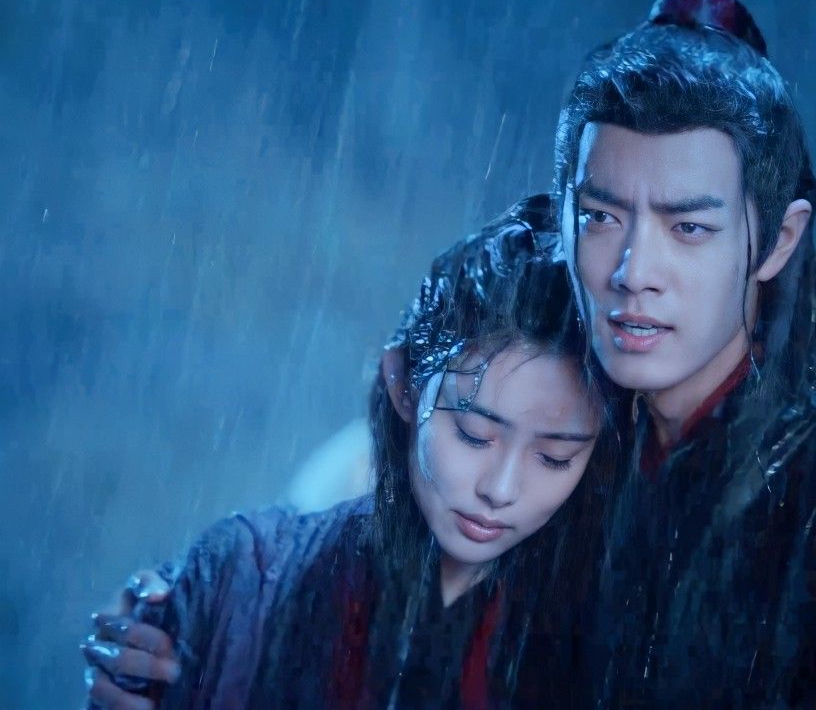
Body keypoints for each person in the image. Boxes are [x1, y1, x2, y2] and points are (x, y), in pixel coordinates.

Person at [543, 0, 816, 706]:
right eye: (601, 218)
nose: (634, 272)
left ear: (777, 240)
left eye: (688, 229)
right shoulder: (565, 446)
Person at [82, 195, 627, 709]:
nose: (501, 489)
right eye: (473, 434)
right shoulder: (245, 576)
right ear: (403, 384)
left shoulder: (616, 632)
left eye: (555, 457)